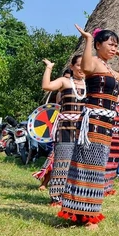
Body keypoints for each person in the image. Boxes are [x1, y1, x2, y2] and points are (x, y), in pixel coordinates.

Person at [59, 26, 119, 229]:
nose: (114, 48)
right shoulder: (95, 64)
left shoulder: (107, 68)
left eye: (116, 45)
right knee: (86, 165)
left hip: (105, 124)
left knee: (96, 167)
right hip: (93, 123)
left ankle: (86, 212)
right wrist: (88, 39)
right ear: (99, 45)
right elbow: (86, 66)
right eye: (110, 44)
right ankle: (84, 214)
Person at [39, 55, 87, 206]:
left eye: (84, 65)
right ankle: (57, 197)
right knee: (62, 162)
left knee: (80, 163)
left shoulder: (90, 84)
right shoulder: (64, 82)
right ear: (72, 67)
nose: (82, 68)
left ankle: (74, 196)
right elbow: (46, 86)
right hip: (65, 127)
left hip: (83, 130)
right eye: (79, 65)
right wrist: (49, 68)